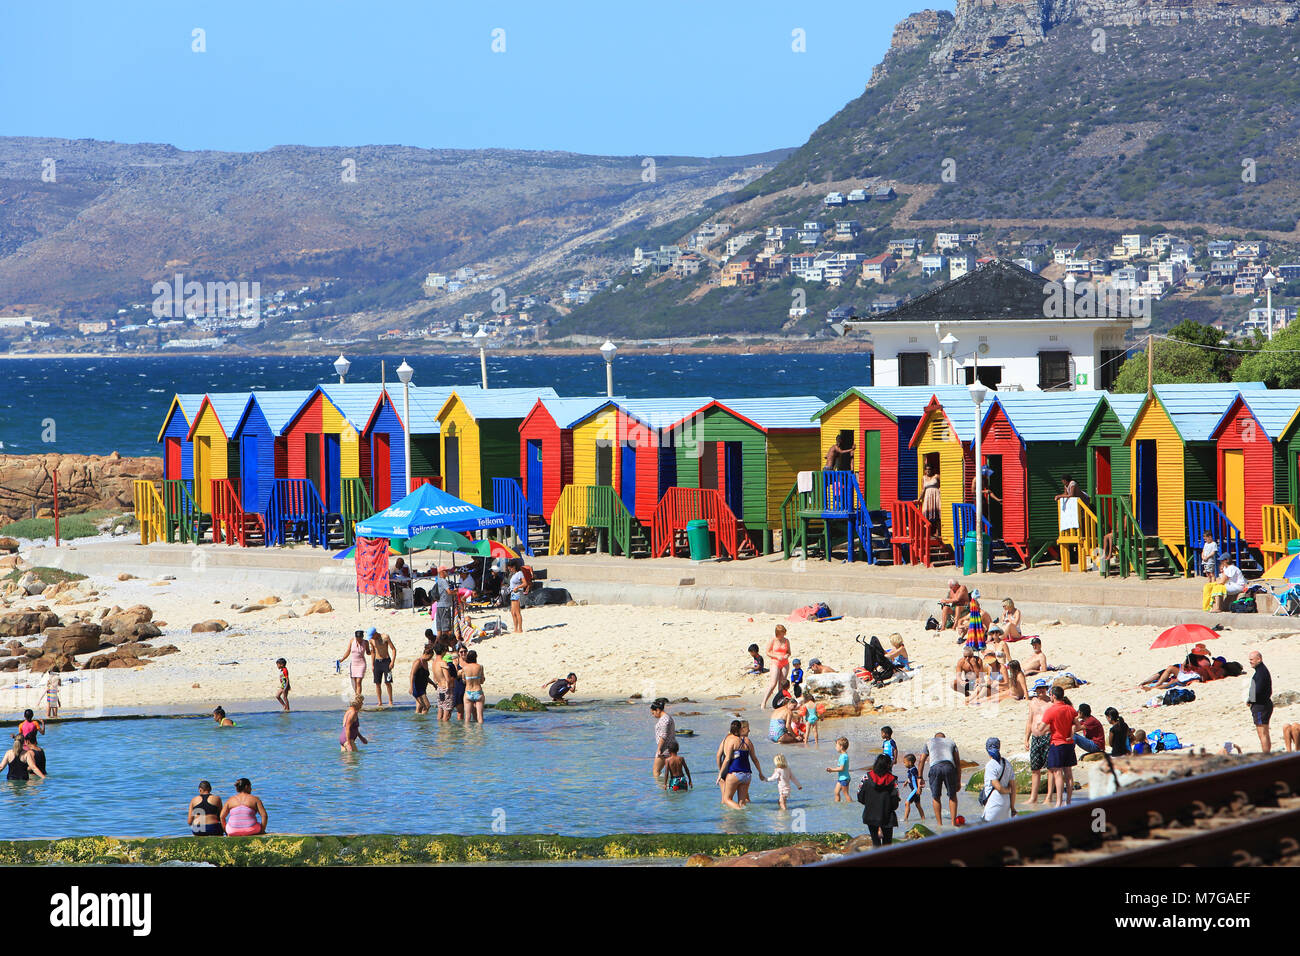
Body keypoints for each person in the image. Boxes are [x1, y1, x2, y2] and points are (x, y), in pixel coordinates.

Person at [1035, 686, 1080, 808]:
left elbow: (1040, 729)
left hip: (1057, 743)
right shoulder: (1070, 709)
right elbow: (1078, 725)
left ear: (1053, 696)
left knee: (1058, 773)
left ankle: (1059, 802)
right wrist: (1070, 733)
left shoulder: (1051, 710)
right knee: (1069, 774)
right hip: (1069, 744)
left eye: (1051, 695)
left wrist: (1045, 727)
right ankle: (1069, 801)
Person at [718, 719, 764, 809]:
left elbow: (727, 759)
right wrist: (760, 772)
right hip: (747, 775)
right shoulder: (748, 741)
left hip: (735, 773)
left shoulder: (732, 740)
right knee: (742, 804)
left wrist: (720, 774)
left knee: (727, 799)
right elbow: (754, 759)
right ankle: (742, 820)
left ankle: (739, 811)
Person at [918, 732, 961, 826]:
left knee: (936, 797)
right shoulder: (951, 742)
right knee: (952, 795)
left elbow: (921, 761)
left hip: (935, 768)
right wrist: (958, 780)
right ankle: (953, 823)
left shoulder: (929, 742)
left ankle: (939, 824)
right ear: (944, 738)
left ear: (935, 738)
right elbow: (957, 762)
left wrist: (920, 777)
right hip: (949, 767)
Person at [858, 753, 901, 847]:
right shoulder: (893, 780)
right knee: (887, 844)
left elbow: (860, 797)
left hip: (871, 814)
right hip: (887, 816)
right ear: (889, 765)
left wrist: (870, 803)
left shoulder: (866, 777)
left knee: (876, 843)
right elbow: (895, 802)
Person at [1025, 683, 1053, 805]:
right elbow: (1030, 721)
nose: (1041, 691)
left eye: (1043, 688)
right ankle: (1033, 797)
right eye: (1038, 688)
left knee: (1050, 768)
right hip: (1035, 738)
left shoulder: (1051, 702)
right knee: (1035, 769)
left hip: (1048, 737)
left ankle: (1049, 797)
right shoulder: (1032, 702)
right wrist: (1026, 738)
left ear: (1046, 689)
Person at [980, 737, 1016, 824]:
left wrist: (1007, 790)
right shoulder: (1007, 763)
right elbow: (1013, 787)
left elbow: (998, 787)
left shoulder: (990, 765)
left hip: (994, 803)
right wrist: (1012, 807)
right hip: (1006, 805)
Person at [1247, 650, 1272, 753]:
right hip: (1263, 704)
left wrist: (1250, 700)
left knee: (1262, 733)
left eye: (1252, 660)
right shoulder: (1261, 670)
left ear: (1259, 659)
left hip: (1261, 706)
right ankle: (1268, 755)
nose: (1250, 662)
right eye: (1249, 660)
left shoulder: (1261, 672)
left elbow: (1258, 690)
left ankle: (1266, 756)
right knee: (1265, 733)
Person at [761, 625, 791, 708]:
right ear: (778, 633)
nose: (784, 634)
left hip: (785, 662)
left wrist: (786, 656)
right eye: (782, 633)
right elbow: (767, 652)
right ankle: (764, 702)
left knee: (782, 684)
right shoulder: (773, 640)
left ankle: (780, 703)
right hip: (775, 662)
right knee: (773, 683)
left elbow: (789, 652)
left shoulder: (786, 640)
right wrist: (777, 656)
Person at [650, 698, 677, 786]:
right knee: (671, 772)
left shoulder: (665, 720)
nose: (653, 715)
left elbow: (663, 735)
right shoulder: (667, 718)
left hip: (665, 748)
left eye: (653, 713)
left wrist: (659, 749)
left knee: (656, 771)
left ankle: (663, 788)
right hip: (670, 747)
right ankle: (671, 787)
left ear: (658, 710)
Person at [339, 629, 370, 701]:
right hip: (353, 664)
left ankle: (358, 699)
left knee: (359, 681)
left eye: (360, 638)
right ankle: (357, 695)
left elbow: (368, 652)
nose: (358, 639)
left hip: (361, 664)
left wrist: (372, 652)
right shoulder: (352, 641)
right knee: (354, 682)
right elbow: (348, 651)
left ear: (362, 637)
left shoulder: (365, 642)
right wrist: (342, 659)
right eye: (357, 638)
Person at [370, 631, 397, 708]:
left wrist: (392, 662)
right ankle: (379, 702)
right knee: (377, 683)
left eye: (372, 636)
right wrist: (372, 664)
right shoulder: (371, 640)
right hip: (377, 662)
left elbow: (393, 649)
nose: (371, 638)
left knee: (388, 682)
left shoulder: (385, 637)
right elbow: (373, 652)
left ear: (375, 633)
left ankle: (390, 701)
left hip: (386, 662)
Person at [461, 649, 486, 723]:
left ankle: (468, 734)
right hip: (478, 691)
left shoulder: (464, 668)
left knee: (467, 718)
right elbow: (482, 681)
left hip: (468, 692)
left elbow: (464, 681)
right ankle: (480, 733)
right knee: (480, 717)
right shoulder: (480, 667)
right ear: (476, 657)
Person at [431, 566, 456, 638]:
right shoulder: (444, 581)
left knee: (439, 627)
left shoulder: (438, 580)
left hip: (439, 605)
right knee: (446, 627)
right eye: (446, 571)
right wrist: (455, 591)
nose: (447, 573)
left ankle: (438, 642)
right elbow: (449, 592)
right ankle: (447, 641)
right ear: (442, 572)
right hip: (445, 605)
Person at [826, 737, 853, 802]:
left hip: (845, 778)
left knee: (846, 794)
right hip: (841, 778)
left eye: (836, 745)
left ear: (841, 747)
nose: (835, 747)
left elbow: (841, 768)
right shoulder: (843, 755)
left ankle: (851, 805)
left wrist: (832, 770)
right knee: (836, 792)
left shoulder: (843, 756)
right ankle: (837, 805)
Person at [917, 464, 941, 535]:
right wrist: (919, 499)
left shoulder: (936, 476)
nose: (928, 471)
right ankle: (929, 533)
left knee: (937, 514)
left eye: (929, 469)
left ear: (932, 470)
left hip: (936, 496)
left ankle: (938, 532)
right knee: (927, 514)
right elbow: (923, 489)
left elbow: (942, 485)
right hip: (928, 497)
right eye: (926, 469)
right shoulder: (924, 478)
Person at [410, 647, 434, 714]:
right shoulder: (418, 662)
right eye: (430, 656)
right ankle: (424, 723)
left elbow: (426, 677)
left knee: (419, 709)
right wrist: (411, 687)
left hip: (423, 689)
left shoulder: (425, 663)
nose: (430, 658)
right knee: (427, 706)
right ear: (426, 654)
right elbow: (412, 674)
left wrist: (433, 684)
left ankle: (418, 723)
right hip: (417, 689)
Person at [901, 754, 923, 821]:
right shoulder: (911, 769)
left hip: (915, 790)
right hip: (914, 790)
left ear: (910, 762)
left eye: (904, 762)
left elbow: (917, 779)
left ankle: (905, 819)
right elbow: (911, 778)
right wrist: (906, 782)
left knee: (907, 803)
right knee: (918, 805)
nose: (904, 764)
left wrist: (919, 788)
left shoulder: (913, 770)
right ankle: (923, 818)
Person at [508, 560, 527, 633]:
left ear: (514, 567)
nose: (510, 570)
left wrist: (518, 587)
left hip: (517, 592)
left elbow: (525, 583)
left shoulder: (520, 573)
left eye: (511, 568)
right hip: (513, 593)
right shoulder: (514, 574)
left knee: (517, 612)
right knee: (513, 612)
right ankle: (515, 628)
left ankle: (520, 628)